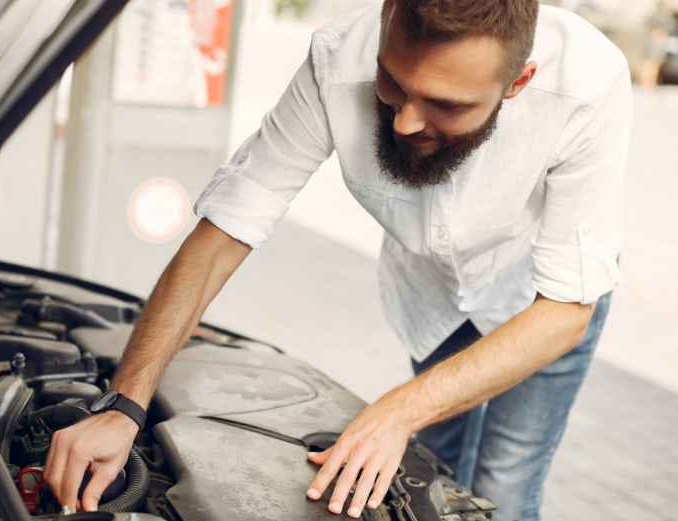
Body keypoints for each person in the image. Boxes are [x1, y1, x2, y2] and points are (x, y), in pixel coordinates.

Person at [43, 1, 633, 520]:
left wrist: (396, 413)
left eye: (445, 105)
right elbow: (224, 230)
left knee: (505, 480)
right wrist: (124, 404)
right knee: (438, 475)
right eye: (392, 82)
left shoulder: (587, 83)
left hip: (543, 305)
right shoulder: (336, 60)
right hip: (433, 300)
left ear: (518, 83)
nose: (404, 121)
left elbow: (564, 308)